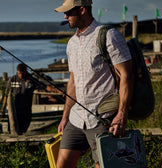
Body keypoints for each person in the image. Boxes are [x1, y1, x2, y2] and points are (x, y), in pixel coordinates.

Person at [54, 0, 134, 167]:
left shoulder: (109, 35)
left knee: (104, 164)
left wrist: (121, 115)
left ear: (82, 10)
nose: (65, 16)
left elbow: (126, 76)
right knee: (62, 164)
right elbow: (73, 82)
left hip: (102, 118)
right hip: (76, 118)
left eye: (69, 12)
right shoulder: (71, 44)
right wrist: (65, 116)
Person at [1, 63, 58, 135]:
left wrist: (57, 90)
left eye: (22, 73)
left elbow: (44, 86)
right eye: (19, 73)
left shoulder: (31, 80)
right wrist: (3, 109)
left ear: (25, 72)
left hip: (26, 110)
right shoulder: (12, 79)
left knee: (23, 129)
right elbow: (6, 95)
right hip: (14, 110)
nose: (20, 75)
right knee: (13, 129)